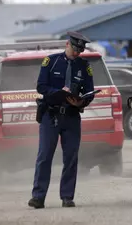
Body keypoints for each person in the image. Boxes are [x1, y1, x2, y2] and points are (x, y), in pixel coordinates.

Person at [28, 31, 95, 209]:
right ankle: (38, 196)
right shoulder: (51, 62)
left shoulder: (84, 66)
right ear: (67, 44)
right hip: (51, 115)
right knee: (44, 156)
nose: (77, 53)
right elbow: (41, 86)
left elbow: (89, 91)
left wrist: (82, 100)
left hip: (71, 117)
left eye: (80, 51)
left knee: (71, 157)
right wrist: (58, 93)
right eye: (75, 49)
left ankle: (67, 197)